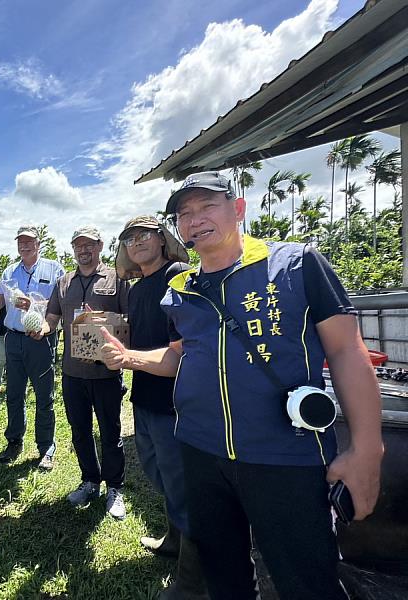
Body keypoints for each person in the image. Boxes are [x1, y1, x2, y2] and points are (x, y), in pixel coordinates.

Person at [100, 172, 383, 600]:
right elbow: (179, 355)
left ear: (238, 208)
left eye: (207, 206)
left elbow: (346, 351)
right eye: (184, 213)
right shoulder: (182, 289)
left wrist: (367, 449)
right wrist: (127, 358)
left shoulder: (297, 264)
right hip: (199, 451)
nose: (195, 219)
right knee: (224, 576)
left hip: (283, 455)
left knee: (307, 580)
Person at [115, 215, 205, 598]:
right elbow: (135, 335)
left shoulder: (178, 273)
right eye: (129, 239)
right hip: (145, 394)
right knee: (157, 473)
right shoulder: (137, 289)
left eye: (144, 235)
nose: (137, 242)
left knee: (181, 485)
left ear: (163, 239)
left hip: (176, 401)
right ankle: (173, 540)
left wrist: (126, 357)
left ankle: (192, 583)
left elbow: (180, 351)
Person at [34, 226, 129, 518]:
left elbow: (129, 318)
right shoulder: (64, 283)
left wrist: (103, 322)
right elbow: (52, 318)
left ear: (100, 246)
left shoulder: (117, 279)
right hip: (73, 373)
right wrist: (42, 328)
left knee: (110, 431)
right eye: (78, 246)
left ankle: (115, 487)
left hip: (106, 373)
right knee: (80, 431)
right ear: (73, 249)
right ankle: (90, 480)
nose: (84, 250)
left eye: (89, 245)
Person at [0, 225, 65, 469]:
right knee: (14, 394)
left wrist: (35, 304)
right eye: (20, 241)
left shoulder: (54, 269)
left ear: (38, 243)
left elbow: (59, 303)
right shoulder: (9, 271)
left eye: (29, 241)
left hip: (41, 339)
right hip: (14, 338)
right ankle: (14, 441)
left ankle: (46, 447)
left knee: (44, 395)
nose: (24, 245)